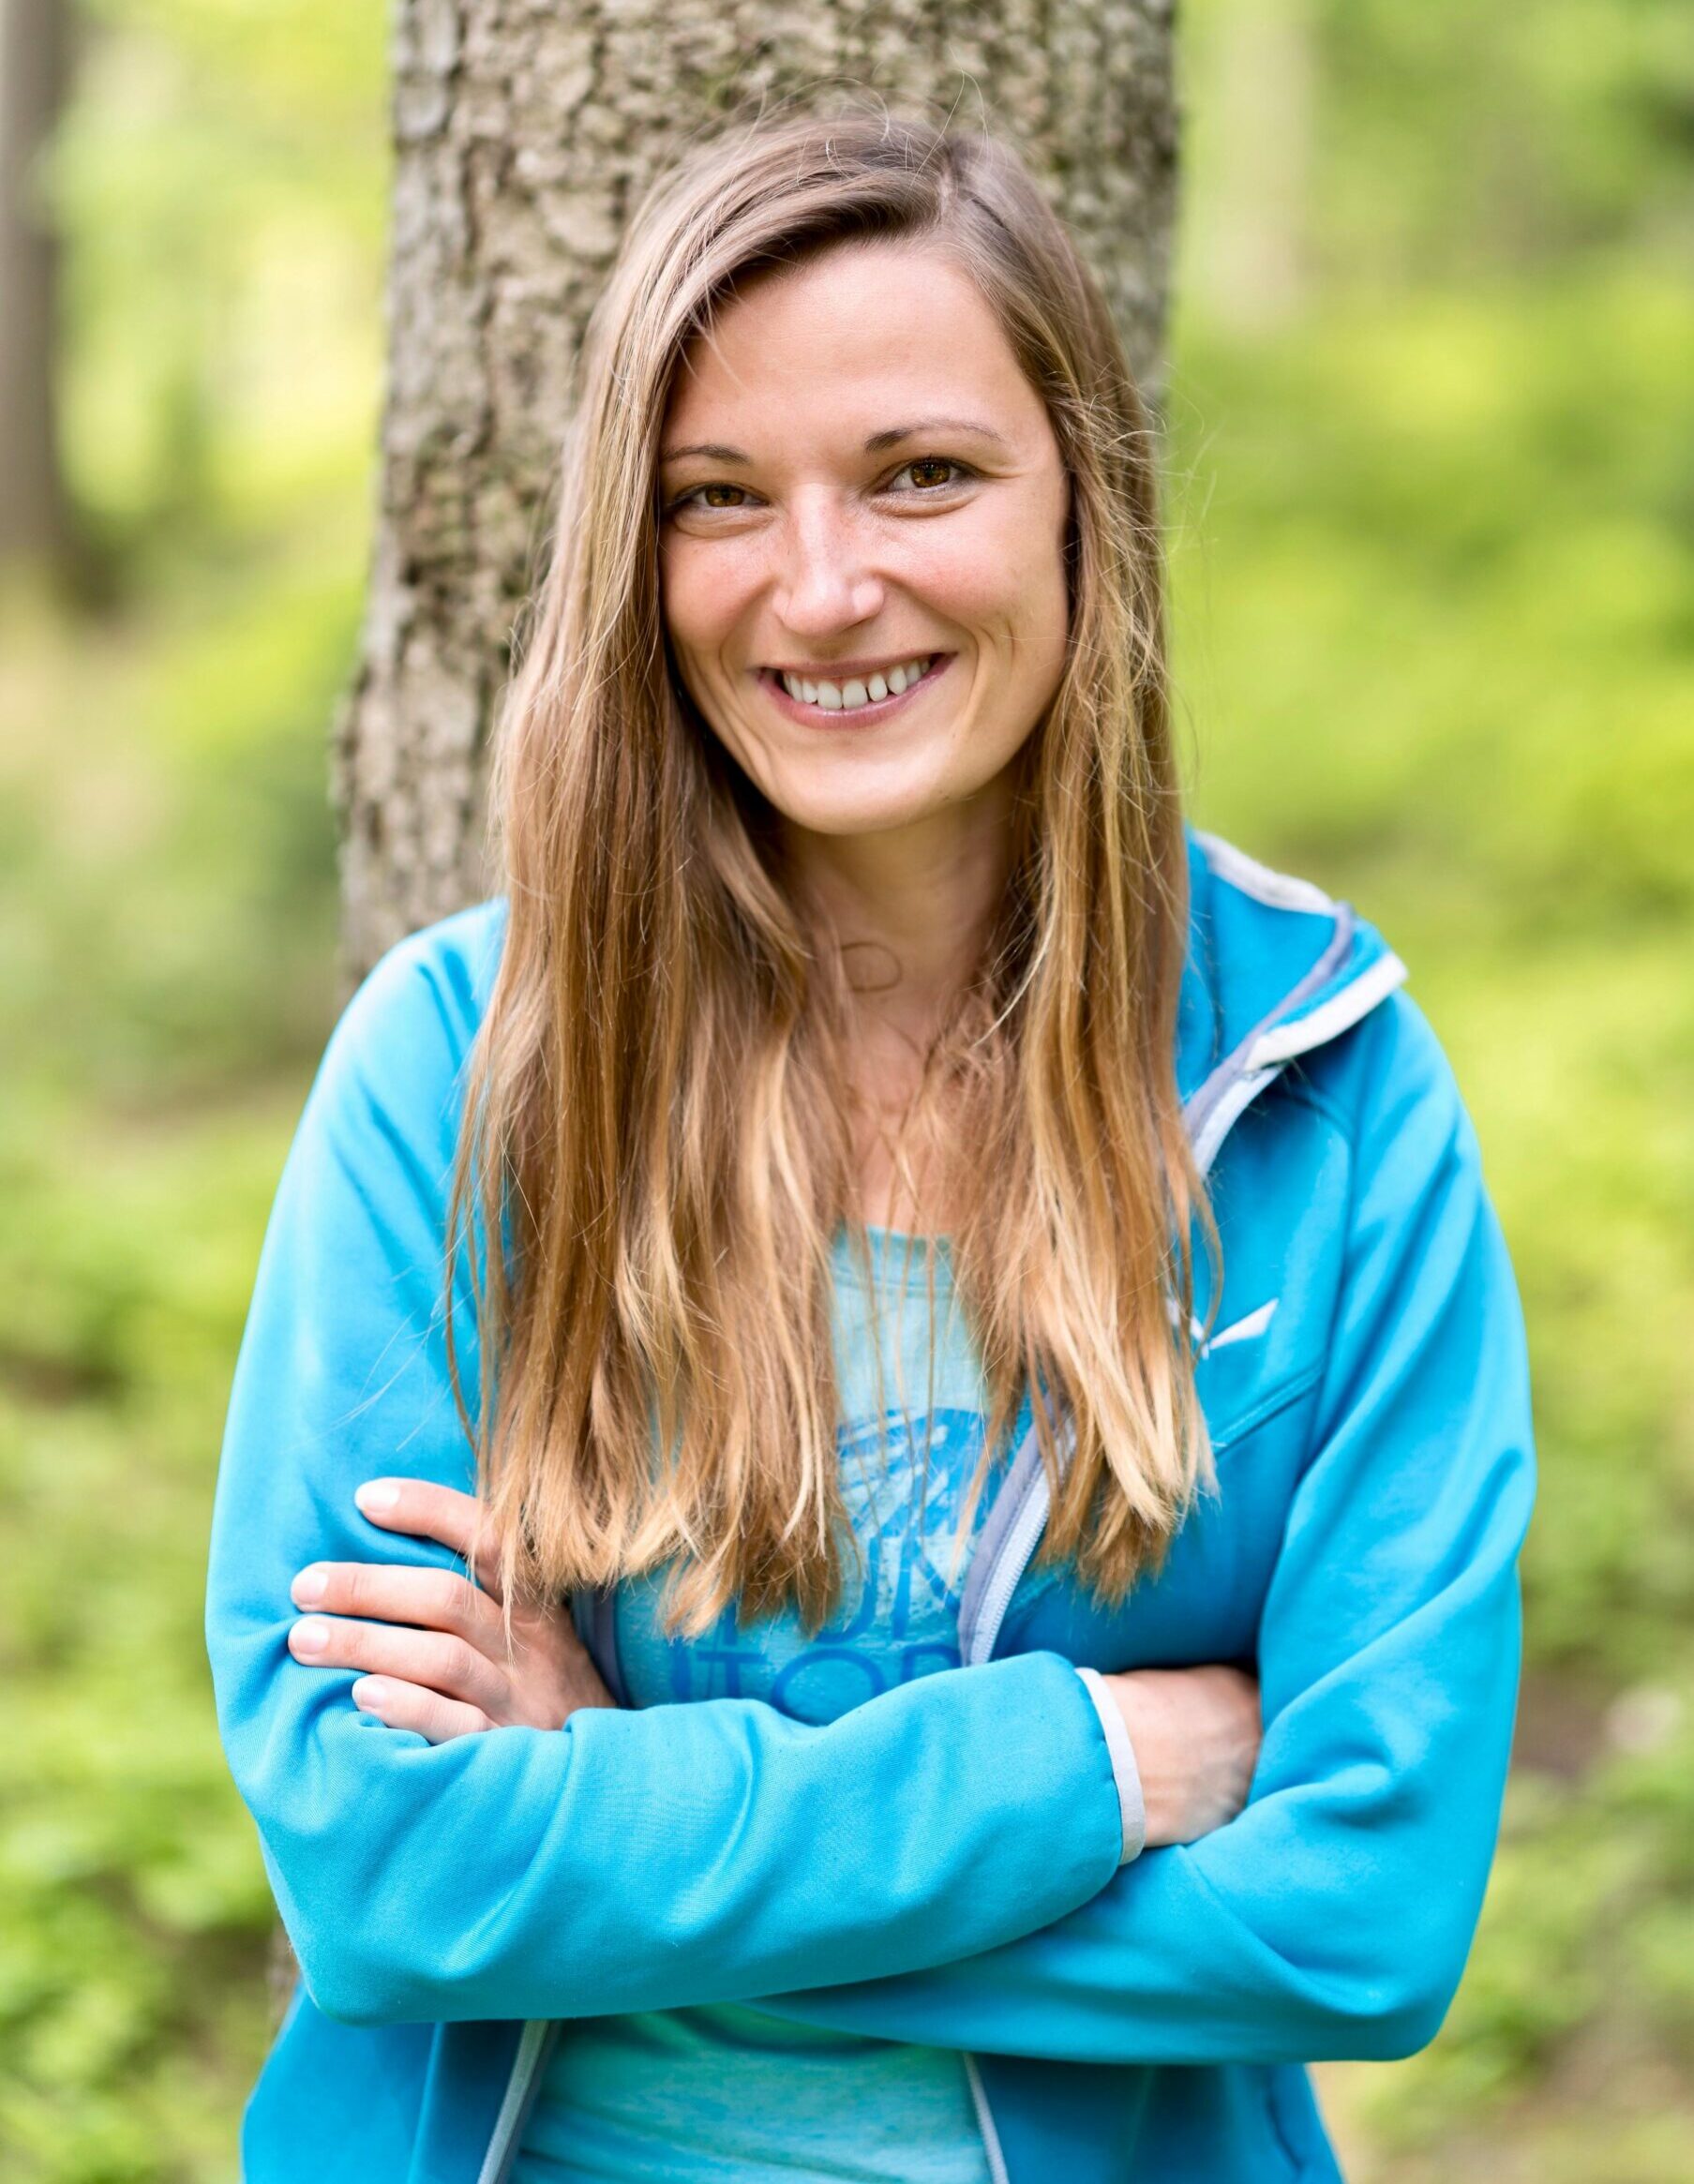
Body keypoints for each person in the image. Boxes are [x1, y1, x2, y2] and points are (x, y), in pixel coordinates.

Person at [204, 103, 1536, 2184]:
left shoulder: (1325, 1084)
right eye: (718, 498)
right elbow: (386, 1879)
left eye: (922, 474)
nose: (822, 590)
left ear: (1082, 503)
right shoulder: (463, 1070)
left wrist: (618, 1817)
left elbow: (1358, 1918)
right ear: (635, 559)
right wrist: (1098, 1762)